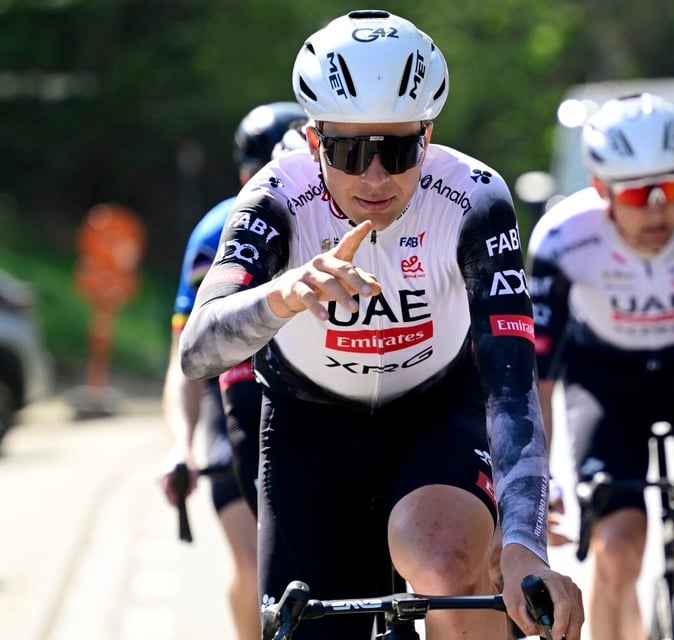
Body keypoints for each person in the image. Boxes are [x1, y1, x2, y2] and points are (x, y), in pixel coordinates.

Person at [177, 10, 583, 640]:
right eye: (348, 150)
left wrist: (526, 545)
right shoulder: (275, 198)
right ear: (314, 142)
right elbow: (197, 350)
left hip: (435, 413)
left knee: (448, 569)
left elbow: (510, 384)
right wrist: (280, 295)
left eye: (396, 150)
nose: (374, 176)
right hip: (307, 426)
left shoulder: (473, 197)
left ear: (427, 135)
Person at [528, 93, 674, 640]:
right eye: (636, 193)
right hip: (607, 380)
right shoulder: (563, 236)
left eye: (668, 188)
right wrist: (536, 478)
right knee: (618, 546)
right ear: (600, 189)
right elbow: (541, 374)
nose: (655, 209)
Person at [157, 100, 305, 640]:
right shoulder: (217, 232)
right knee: (255, 567)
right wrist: (181, 445)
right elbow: (187, 361)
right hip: (238, 398)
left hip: (322, 394)